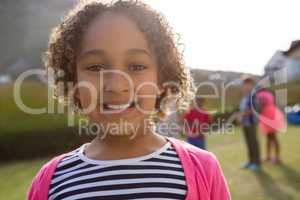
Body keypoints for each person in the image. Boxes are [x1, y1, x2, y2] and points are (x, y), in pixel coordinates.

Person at [27, 1, 231, 200]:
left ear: (162, 79)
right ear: (74, 83)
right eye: (95, 67)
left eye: (136, 66)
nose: (116, 85)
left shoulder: (203, 169)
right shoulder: (51, 182)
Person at [237, 77, 261, 171]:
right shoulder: (245, 96)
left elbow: (254, 109)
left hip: (251, 123)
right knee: (248, 143)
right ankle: (251, 161)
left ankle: (257, 163)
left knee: (253, 142)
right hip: (245, 123)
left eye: (247, 84)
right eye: (244, 84)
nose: (245, 86)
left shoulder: (253, 95)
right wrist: (240, 118)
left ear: (251, 84)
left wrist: (242, 114)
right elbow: (242, 109)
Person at [256, 89, 285, 164]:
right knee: (269, 138)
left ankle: (277, 158)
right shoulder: (269, 94)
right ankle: (268, 156)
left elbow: (260, 106)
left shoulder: (260, 95)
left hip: (269, 116)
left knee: (273, 138)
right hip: (271, 114)